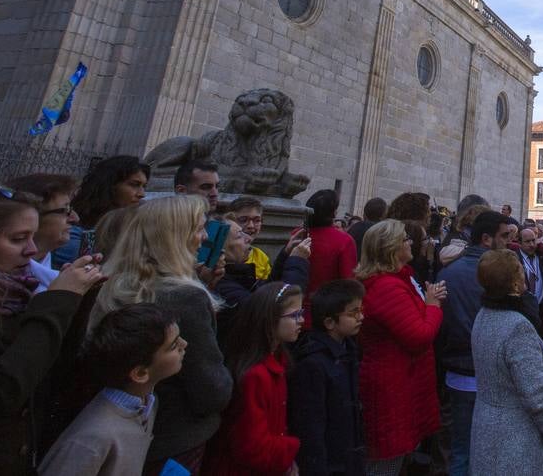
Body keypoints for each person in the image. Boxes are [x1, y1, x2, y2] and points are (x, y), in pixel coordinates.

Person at [0, 186, 107, 474]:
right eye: (18, 239)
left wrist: (78, 302)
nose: (32, 250)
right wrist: (58, 302)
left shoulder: (15, 295)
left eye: (32, 237)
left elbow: (49, 372)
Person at [92, 195, 233, 474]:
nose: (205, 238)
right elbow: (211, 389)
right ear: (174, 237)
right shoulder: (186, 298)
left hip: (124, 432)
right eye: (198, 229)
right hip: (174, 439)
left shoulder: (108, 285)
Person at [39, 303, 186, 476]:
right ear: (140, 373)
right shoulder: (92, 438)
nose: (185, 344)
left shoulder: (147, 404)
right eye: (173, 346)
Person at [355, 219, 447, 475]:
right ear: (392, 247)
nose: (410, 242)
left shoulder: (398, 280)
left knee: (398, 453)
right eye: (405, 239)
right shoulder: (387, 287)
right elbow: (419, 335)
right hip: (393, 383)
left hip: (403, 378)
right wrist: (433, 305)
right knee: (387, 459)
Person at [469, 249, 543, 475]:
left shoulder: (484, 314)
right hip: (516, 437)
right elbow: (535, 391)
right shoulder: (516, 327)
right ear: (514, 284)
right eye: (521, 271)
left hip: (488, 426)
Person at [438, 210, 519, 476]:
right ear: (486, 239)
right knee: (490, 451)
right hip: (487, 373)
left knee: (461, 448)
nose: (509, 241)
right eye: (504, 236)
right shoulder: (496, 276)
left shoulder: (448, 272)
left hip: (455, 370)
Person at [204, 282, 303, 476]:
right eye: (294, 315)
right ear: (270, 320)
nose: (301, 321)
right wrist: (290, 448)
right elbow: (252, 446)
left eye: (302, 313)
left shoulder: (276, 363)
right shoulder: (255, 376)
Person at [289, 279, 367, 476]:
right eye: (353, 313)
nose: (361, 317)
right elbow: (311, 426)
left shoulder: (348, 349)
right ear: (329, 322)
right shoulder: (313, 364)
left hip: (348, 456)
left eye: (361, 310)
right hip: (330, 462)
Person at [215, 219, 310, 331]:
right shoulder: (222, 285)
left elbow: (266, 294)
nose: (249, 239)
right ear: (221, 249)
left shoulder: (237, 276)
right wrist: (296, 261)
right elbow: (275, 310)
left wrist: (285, 255)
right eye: (239, 236)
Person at [54, 155, 148, 266]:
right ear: (111, 185)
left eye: (144, 186)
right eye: (134, 185)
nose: (142, 194)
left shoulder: (135, 223)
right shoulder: (73, 229)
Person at [7, 172, 80, 291]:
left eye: (71, 208)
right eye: (65, 210)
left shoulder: (54, 272)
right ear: (32, 217)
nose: (75, 218)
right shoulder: (2, 281)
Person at [301, 189, 357, 327]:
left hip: (294, 313)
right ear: (333, 213)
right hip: (327, 316)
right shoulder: (343, 240)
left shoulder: (297, 235)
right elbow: (348, 282)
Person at [227, 197, 273, 280]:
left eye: (257, 220)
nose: (251, 226)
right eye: (243, 220)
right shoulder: (222, 256)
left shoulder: (261, 257)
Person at [518, 224, 543, 315]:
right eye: (527, 242)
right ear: (519, 243)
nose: (531, 245)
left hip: (542, 309)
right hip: (523, 310)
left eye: (533, 240)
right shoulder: (515, 259)